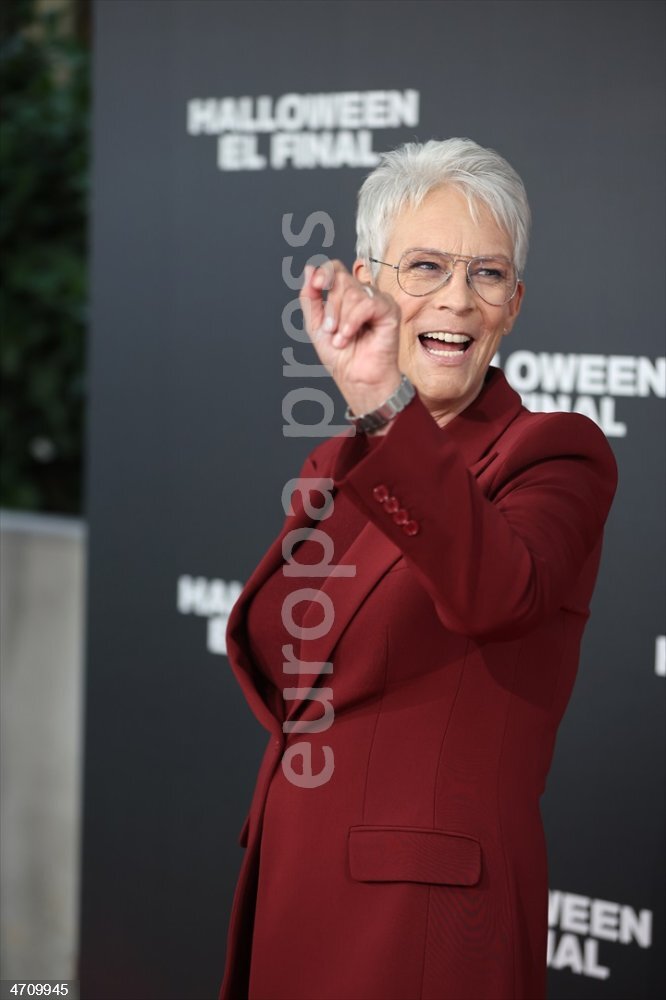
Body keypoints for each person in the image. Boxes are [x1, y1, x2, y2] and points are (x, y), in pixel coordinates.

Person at [219, 138, 617, 1000]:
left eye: (488, 276)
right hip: (293, 893)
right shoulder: (340, 460)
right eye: (427, 266)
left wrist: (387, 410)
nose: (458, 300)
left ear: (513, 306)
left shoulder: (555, 454)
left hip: (426, 931)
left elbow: (494, 590)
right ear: (370, 282)